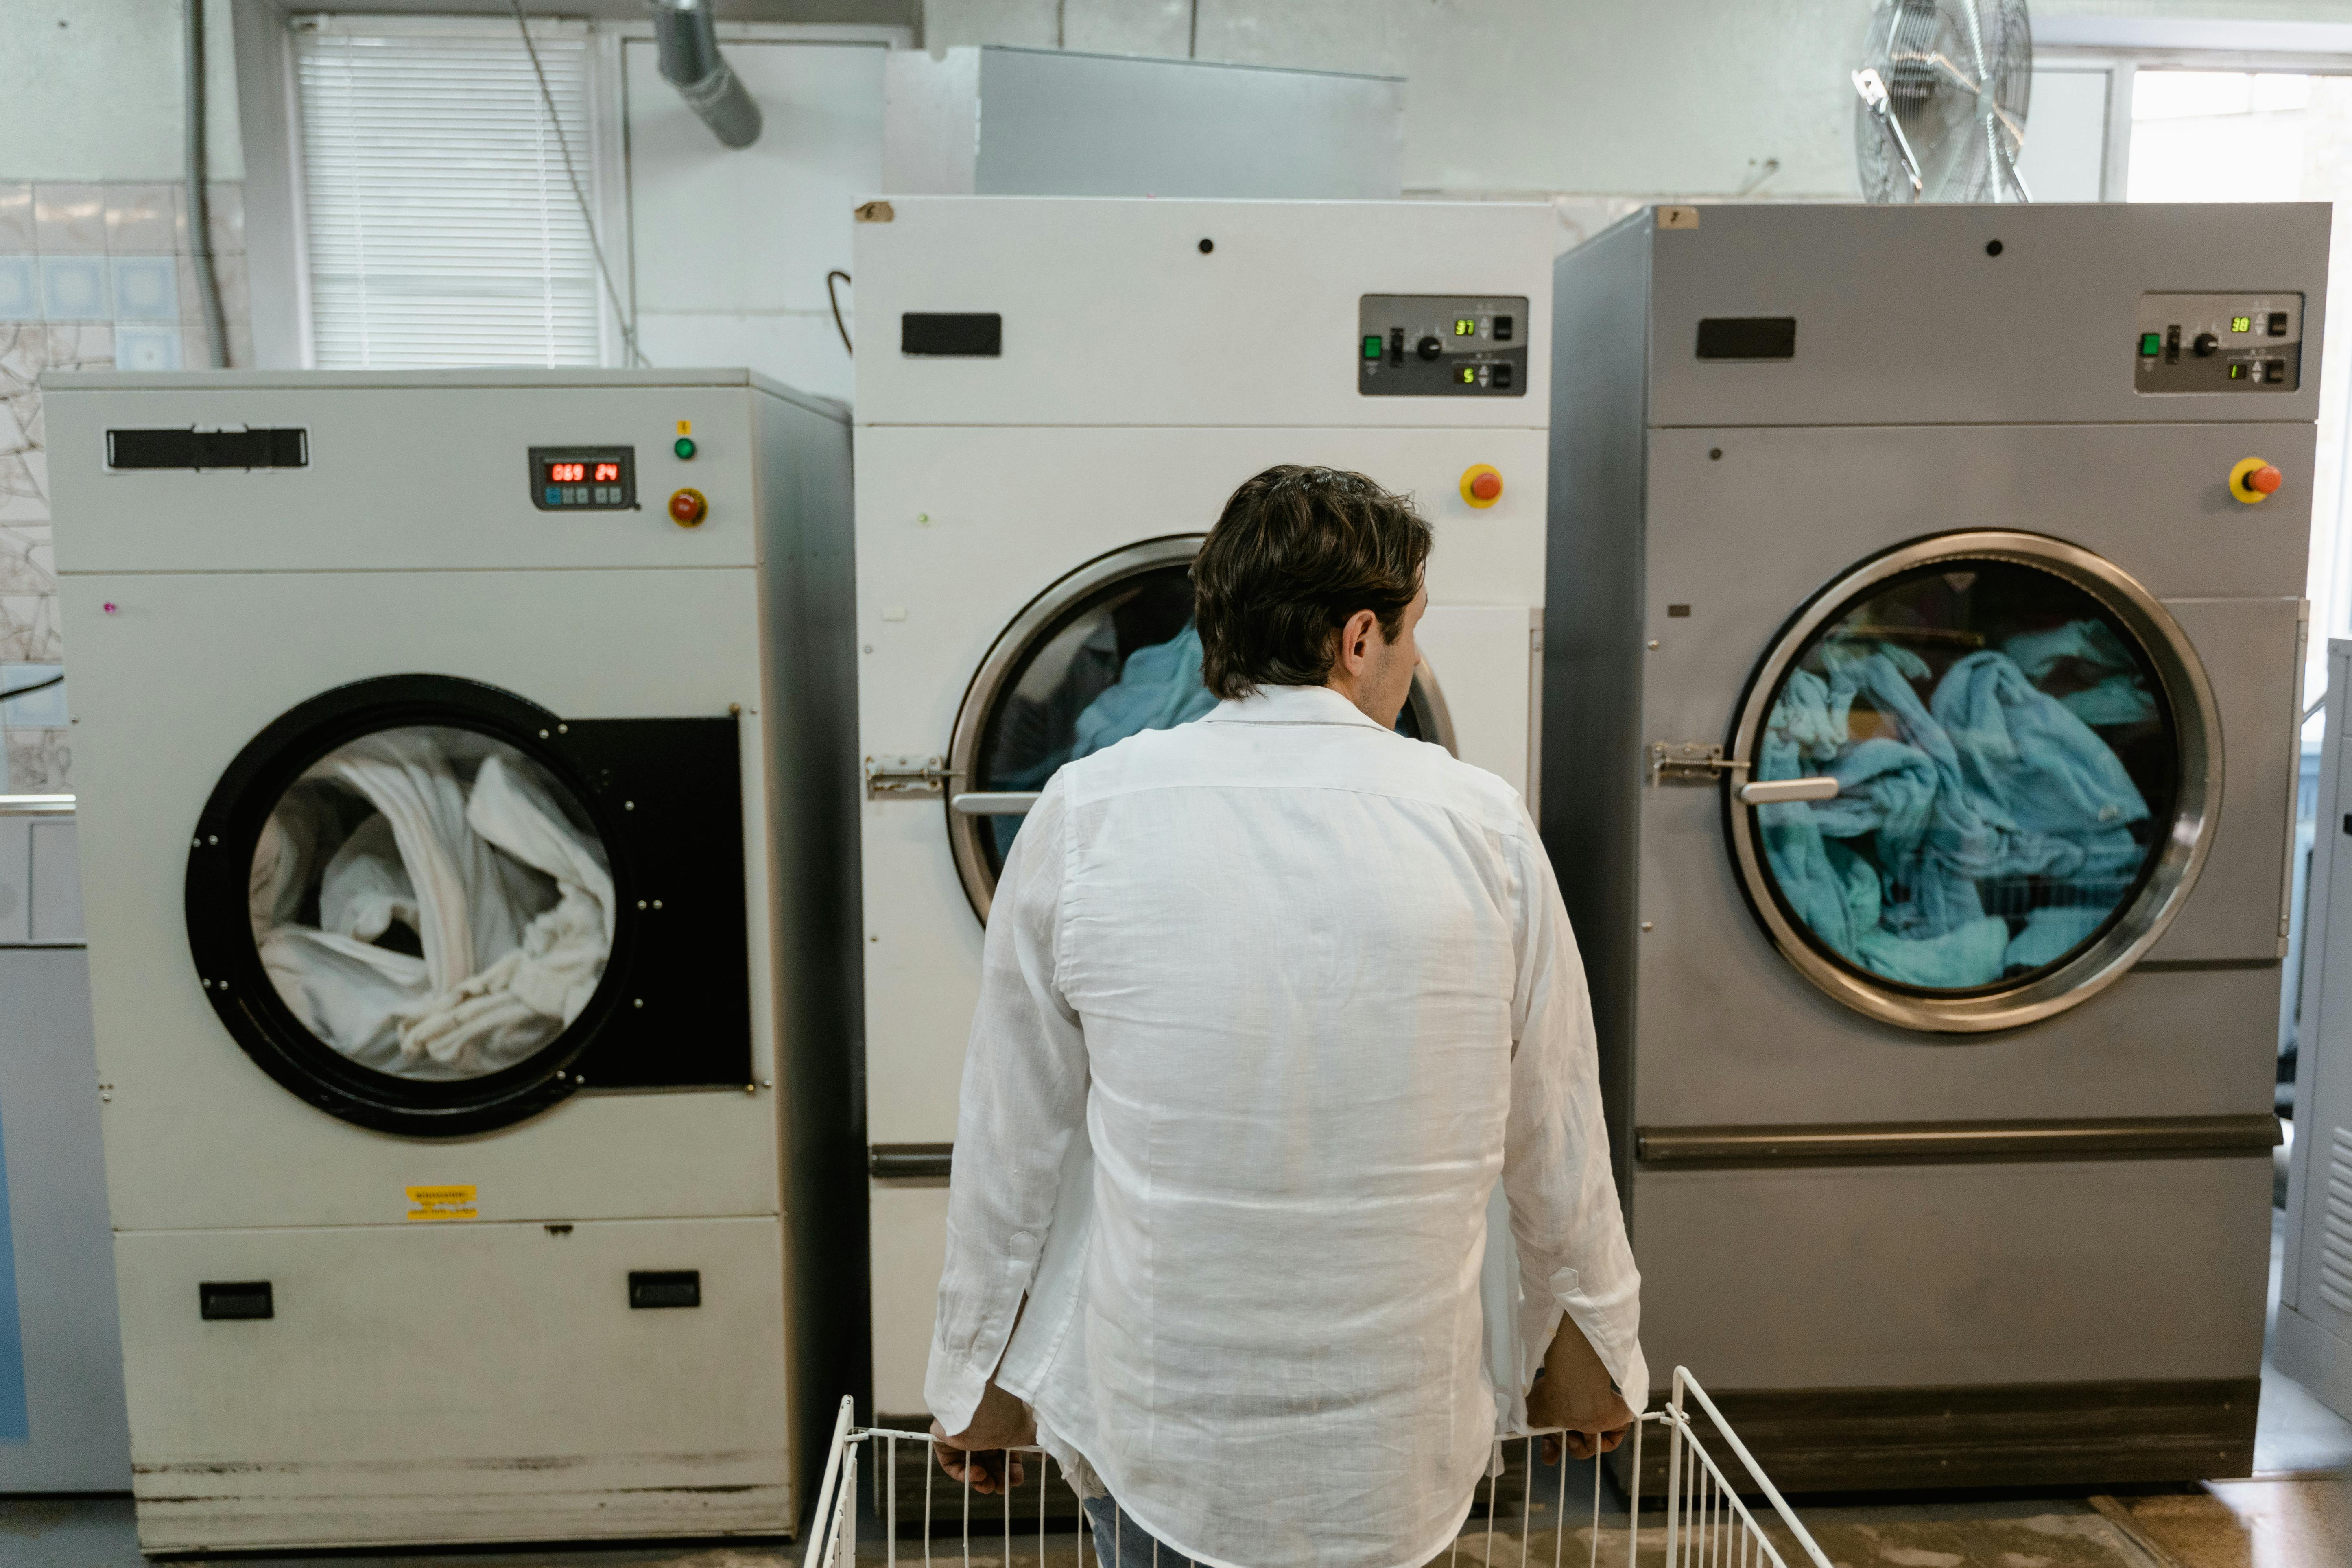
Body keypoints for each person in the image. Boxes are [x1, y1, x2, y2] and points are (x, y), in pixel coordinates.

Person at [924, 465, 1645, 1568]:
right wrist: (1594, 1351)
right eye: (1411, 635)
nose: (1410, 665)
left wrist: (976, 1379)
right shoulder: (1482, 824)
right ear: (1359, 637)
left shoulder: (1085, 814)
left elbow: (1012, 1143)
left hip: (1166, 1427)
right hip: (1397, 1436)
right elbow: (1554, 1121)